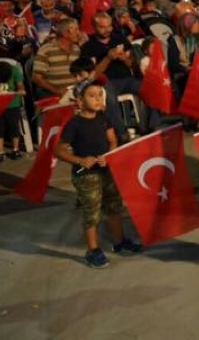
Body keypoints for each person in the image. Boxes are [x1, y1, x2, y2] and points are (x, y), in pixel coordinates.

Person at [54, 81, 144, 269]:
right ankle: (93, 250)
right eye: (92, 95)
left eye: (99, 95)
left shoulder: (104, 118)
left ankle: (119, 242)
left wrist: (108, 156)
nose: (97, 99)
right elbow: (59, 150)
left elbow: (112, 141)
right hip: (86, 176)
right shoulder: (74, 124)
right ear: (79, 101)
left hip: (107, 171)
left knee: (114, 206)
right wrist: (80, 160)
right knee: (92, 213)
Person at [0, 60, 25, 161]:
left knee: (14, 127)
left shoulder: (15, 71)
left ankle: (16, 149)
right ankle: (0, 151)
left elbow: (20, 85)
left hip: (13, 105)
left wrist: (20, 90)